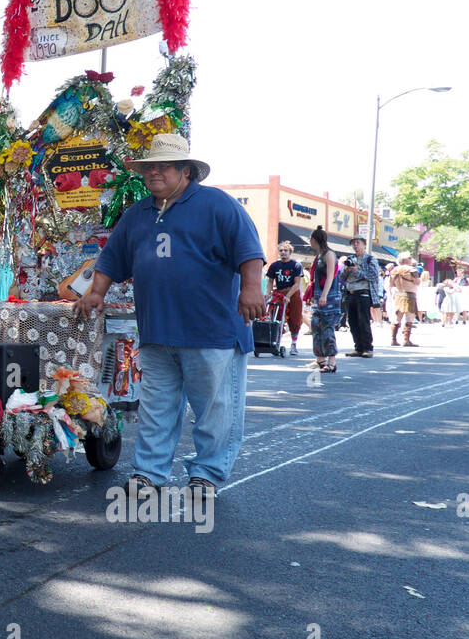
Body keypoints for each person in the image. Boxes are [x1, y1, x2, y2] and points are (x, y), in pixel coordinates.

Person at [73, 133, 264, 500]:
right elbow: (111, 258)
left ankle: (206, 474)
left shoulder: (217, 204)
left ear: (185, 170)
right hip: (158, 330)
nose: (154, 172)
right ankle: (149, 472)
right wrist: (95, 292)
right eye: (149, 167)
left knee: (214, 409)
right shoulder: (138, 213)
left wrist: (251, 289)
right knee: (157, 407)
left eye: (163, 166)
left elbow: (248, 249)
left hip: (213, 331)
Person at [307, 227, 341, 373]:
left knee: (327, 328)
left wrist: (324, 295)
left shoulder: (329, 255)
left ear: (314, 240)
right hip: (319, 295)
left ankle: (332, 361)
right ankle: (320, 358)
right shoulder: (319, 256)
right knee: (315, 325)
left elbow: (330, 276)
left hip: (330, 296)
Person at [341, 236, 381, 358]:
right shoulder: (350, 259)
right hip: (350, 293)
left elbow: (373, 276)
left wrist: (357, 271)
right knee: (352, 322)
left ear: (364, 244)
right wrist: (347, 270)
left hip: (363, 293)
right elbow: (342, 278)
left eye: (358, 243)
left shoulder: (370, 260)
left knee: (363, 321)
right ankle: (358, 347)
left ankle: (367, 348)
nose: (355, 246)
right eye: (353, 243)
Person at [264, 241, 306, 356]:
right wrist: (268, 293)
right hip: (279, 293)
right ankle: (275, 342)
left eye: (285, 251)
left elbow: (297, 284)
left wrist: (288, 296)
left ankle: (293, 344)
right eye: (281, 251)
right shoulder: (274, 266)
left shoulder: (296, 265)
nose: (283, 253)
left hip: (293, 293)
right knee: (276, 318)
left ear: (290, 252)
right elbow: (270, 281)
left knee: (295, 318)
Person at [388, 253, 421, 346]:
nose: (411, 259)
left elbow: (391, 284)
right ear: (406, 260)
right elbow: (417, 282)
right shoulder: (412, 270)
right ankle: (406, 340)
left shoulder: (394, 270)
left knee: (397, 318)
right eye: (410, 258)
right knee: (409, 318)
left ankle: (393, 339)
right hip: (409, 295)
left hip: (398, 295)